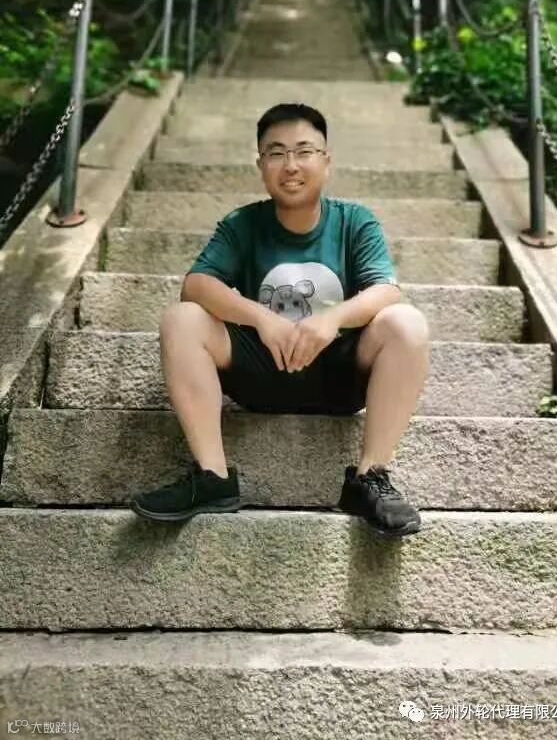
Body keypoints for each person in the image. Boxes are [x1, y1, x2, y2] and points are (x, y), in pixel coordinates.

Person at [131, 103, 430, 538]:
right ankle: (212, 479)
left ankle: (370, 479)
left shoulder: (355, 222)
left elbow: (386, 291)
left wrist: (331, 320)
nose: (291, 165)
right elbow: (196, 285)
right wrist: (261, 318)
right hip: (262, 372)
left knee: (407, 323)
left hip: (339, 377)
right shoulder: (242, 224)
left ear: (326, 161)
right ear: (261, 165)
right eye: (276, 153)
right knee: (183, 320)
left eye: (304, 151)